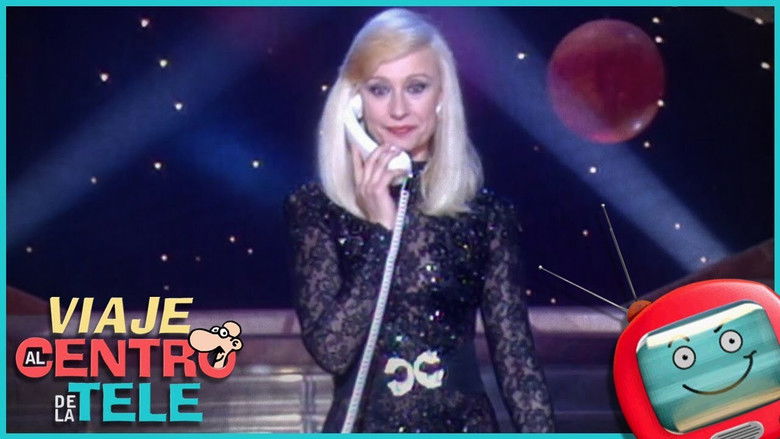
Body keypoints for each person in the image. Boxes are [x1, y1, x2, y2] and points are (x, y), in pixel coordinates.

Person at [284, 8, 554, 433]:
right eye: (379, 89)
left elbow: (516, 362)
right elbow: (332, 352)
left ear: (441, 95)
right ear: (354, 102)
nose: (398, 109)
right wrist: (382, 229)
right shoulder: (316, 208)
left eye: (416, 87)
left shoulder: (486, 216)